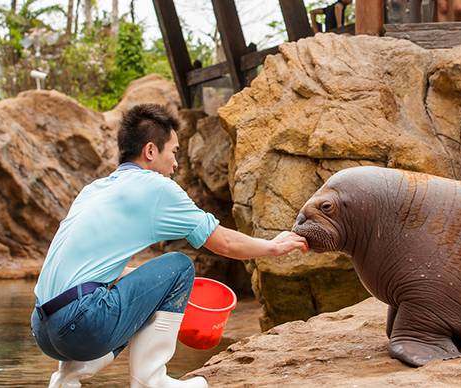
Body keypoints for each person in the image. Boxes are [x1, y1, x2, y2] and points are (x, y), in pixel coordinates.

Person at [31, 104, 308, 388]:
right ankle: (151, 380)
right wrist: (273, 246)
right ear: (150, 151)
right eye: (173, 152)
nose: (176, 164)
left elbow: (95, 272)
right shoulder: (156, 188)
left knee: (137, 282)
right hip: (82, 325)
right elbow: (223, 242)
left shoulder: (95, 189)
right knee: (178, 267)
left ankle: (67, 378)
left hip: (43, 329)